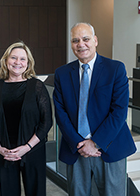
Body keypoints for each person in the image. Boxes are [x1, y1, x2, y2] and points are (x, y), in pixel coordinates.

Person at [53, 22, 136, 196]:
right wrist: (80, 144)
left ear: (95, 40)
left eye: (85, 39)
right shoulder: (62, 74)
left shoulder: (115, 69)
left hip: (110, 147)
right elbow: (60, 113)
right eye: (75, 40)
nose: (80, 44)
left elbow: (119, 111)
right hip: (76, 149)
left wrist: (95, 142)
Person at [0, 42, 52, 196]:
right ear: (6, 60)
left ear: (28, 64)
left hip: (33, 151)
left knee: (36, 192)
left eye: (22, 59)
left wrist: (27, 147)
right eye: (13, 58)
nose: (17, 62)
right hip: (5, 152)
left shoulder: (37, 87)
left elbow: (46, 122)